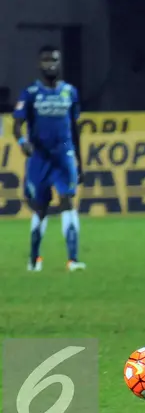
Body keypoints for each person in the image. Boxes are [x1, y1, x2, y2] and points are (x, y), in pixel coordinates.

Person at [13, 45, 85, 272]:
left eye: (54, 60)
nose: (50, 64)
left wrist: (80, 159)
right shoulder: (31, 93)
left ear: (59, 62)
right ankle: (34, 260)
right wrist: (23, 143)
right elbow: (16, 124)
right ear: (39, 64)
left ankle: (73, 260)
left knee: (68, 201)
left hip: (64, 155)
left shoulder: (70, 92)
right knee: (40, 207)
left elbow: (74, 127)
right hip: (40, 158)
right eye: (46, 60)